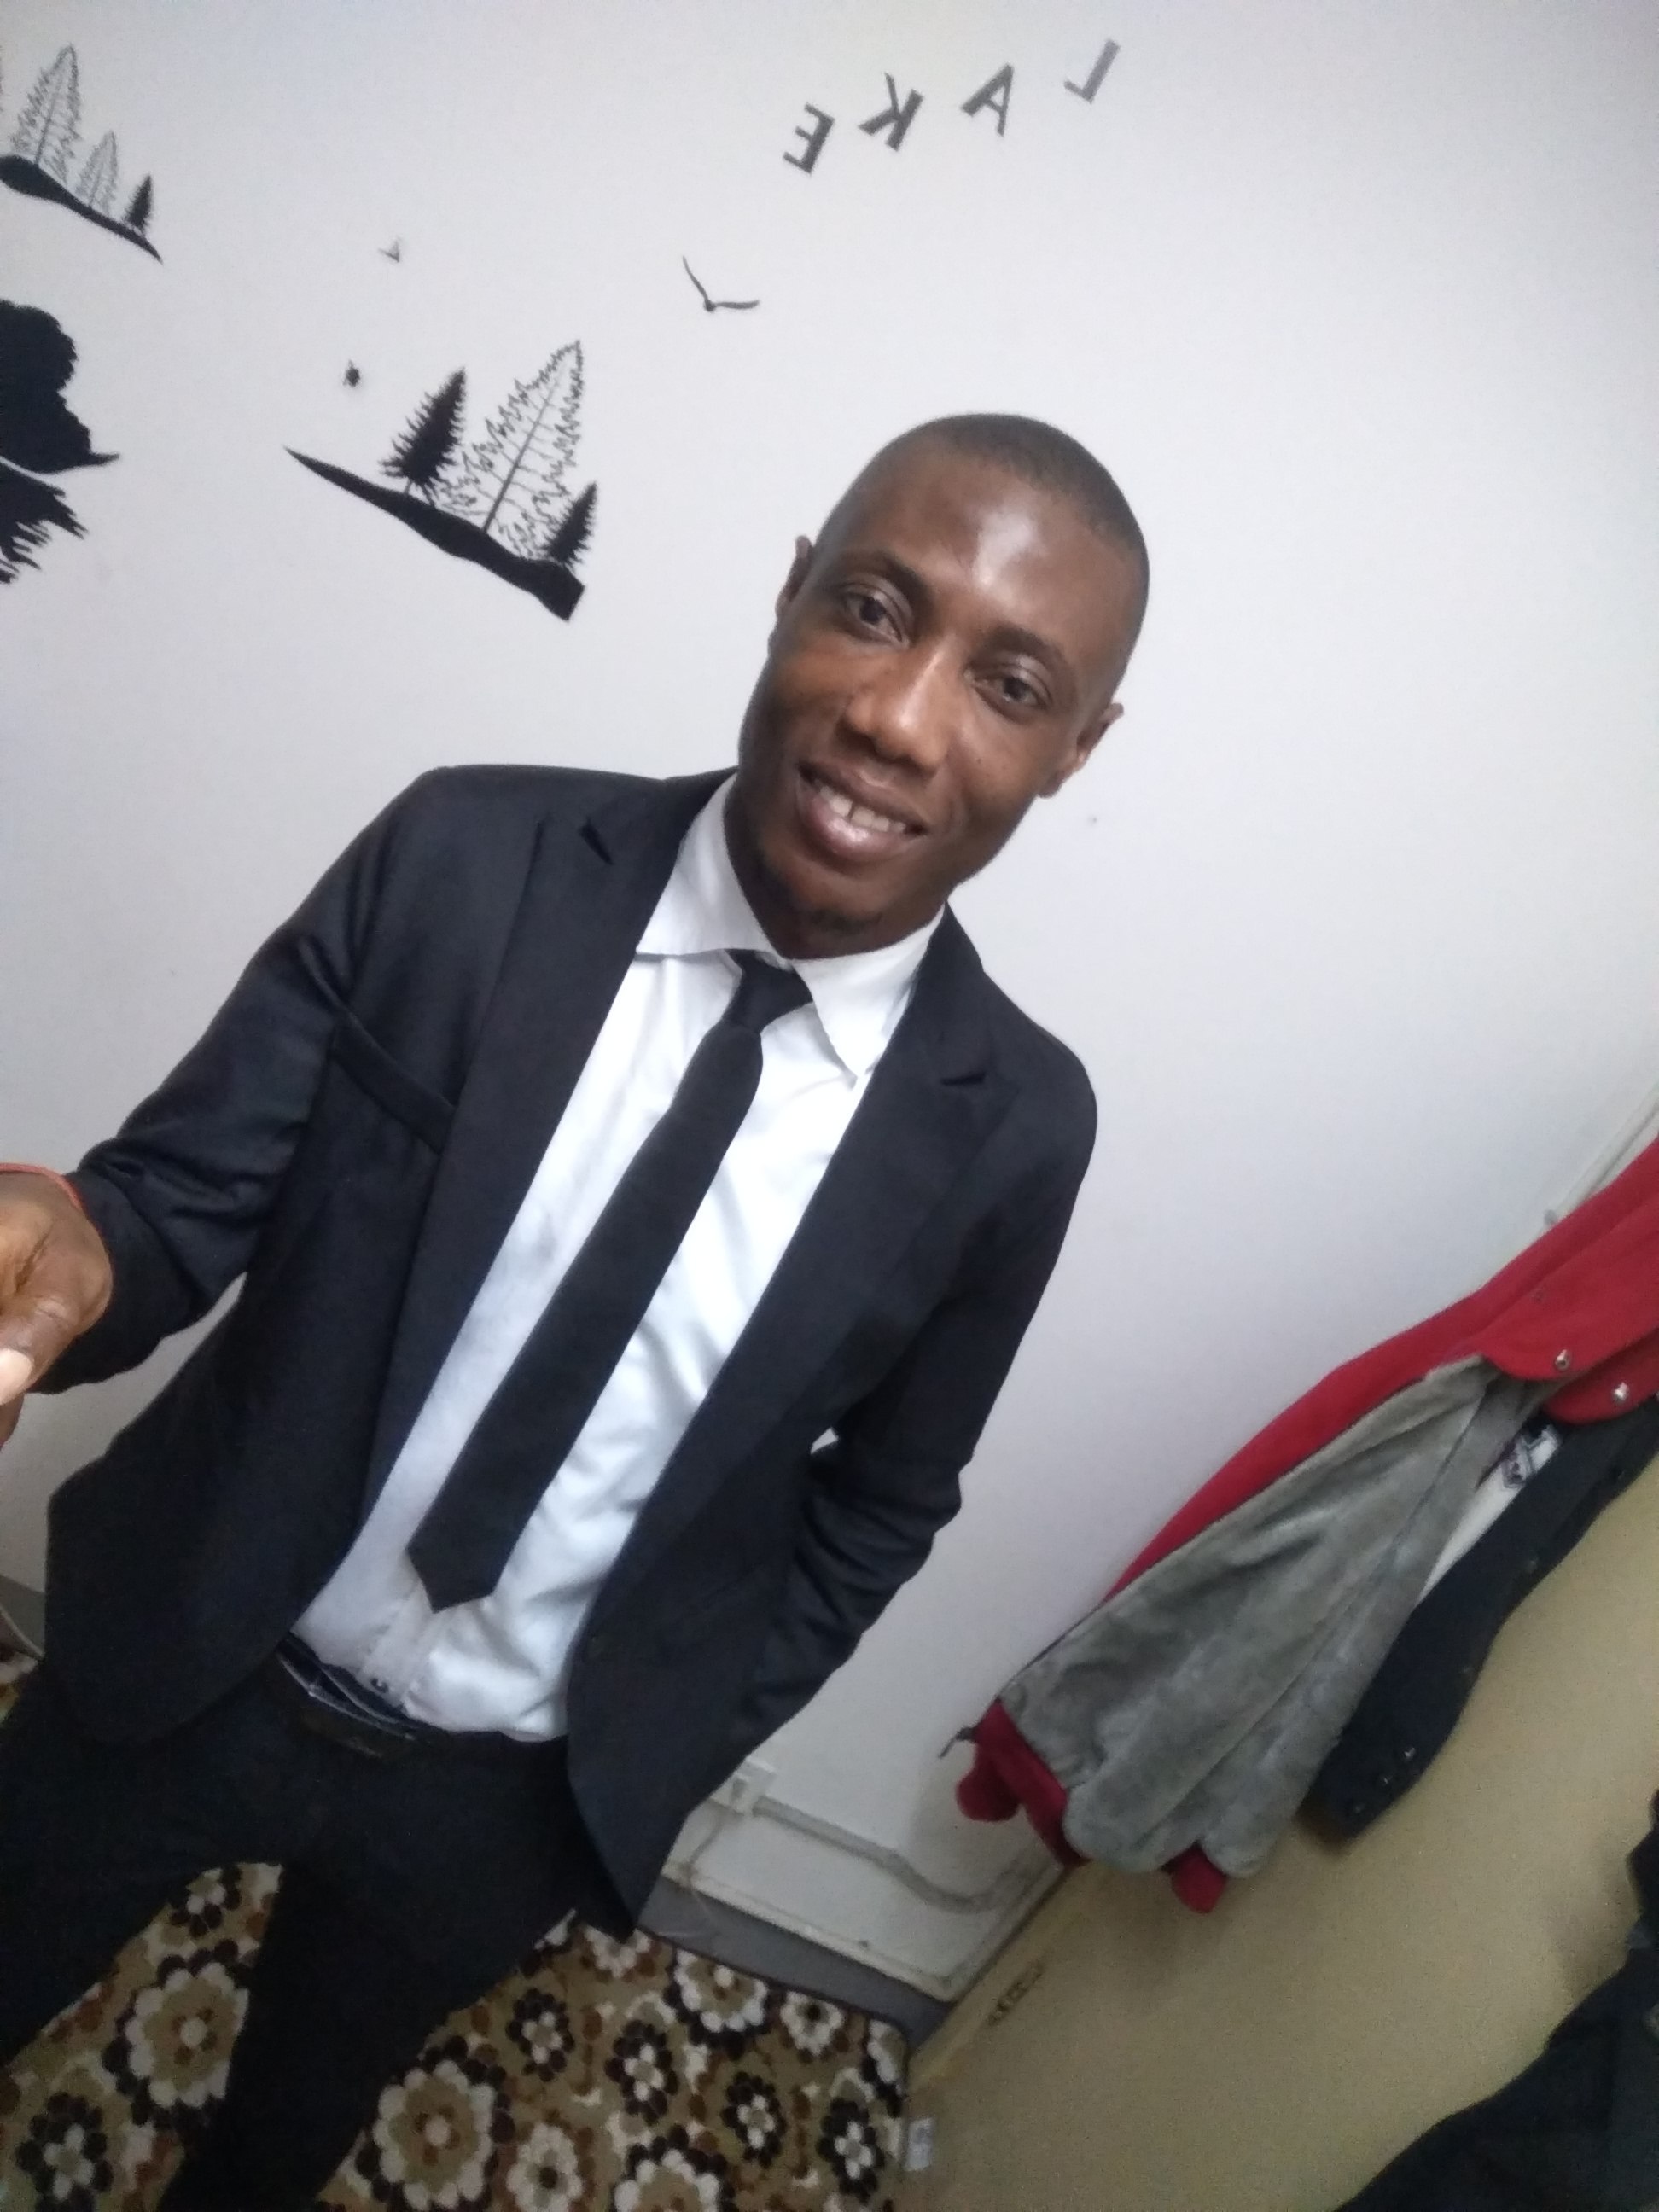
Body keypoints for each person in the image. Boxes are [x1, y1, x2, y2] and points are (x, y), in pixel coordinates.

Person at [0, 412, 1148, 2209]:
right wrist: (70, 1250)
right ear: (791, 593)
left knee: (286, 2135)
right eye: (872, 609)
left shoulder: (1016, 1131)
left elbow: (881, 1503)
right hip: (197, 1637)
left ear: (1077, 747)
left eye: (1009, 686)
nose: (900, 718)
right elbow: (172, 1205)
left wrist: (656, 1719)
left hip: (500, 1795)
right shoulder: (465, 859)